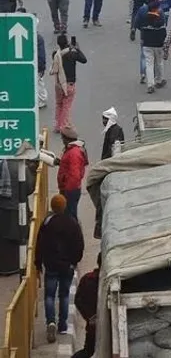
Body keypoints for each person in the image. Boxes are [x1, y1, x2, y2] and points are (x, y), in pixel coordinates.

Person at [36, 193, 83, 343]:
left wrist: (38, 263)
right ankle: (62, 325)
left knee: (49, 295)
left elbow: (40, 244)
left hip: (51, 265)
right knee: (64, 295)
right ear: (64, 206)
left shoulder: (47, 223)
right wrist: (74, 262)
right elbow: (79, 244)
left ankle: (50, 322)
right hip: (66, 266)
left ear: (52, 207)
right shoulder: (72, 223)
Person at [48, 34, 86, 132]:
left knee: (59, 104)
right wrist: (77, 49)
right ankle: (64, 126)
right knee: (66, 106)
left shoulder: (56, 55)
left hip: (58, 84)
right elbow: (84, 60)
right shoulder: (72, 54)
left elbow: (54, 69)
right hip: (69, 84)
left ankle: (57, 125)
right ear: (67, 42)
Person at [55, 127, 87, 220]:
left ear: (66, 139)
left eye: (62, 138)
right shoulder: (72, 150)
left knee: (70, 216)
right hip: (68, 188)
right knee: (68, 214)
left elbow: (75, 175)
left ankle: (73, 233)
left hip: (70, 189)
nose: (62, 140)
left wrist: (67, 190)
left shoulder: (73, 153)